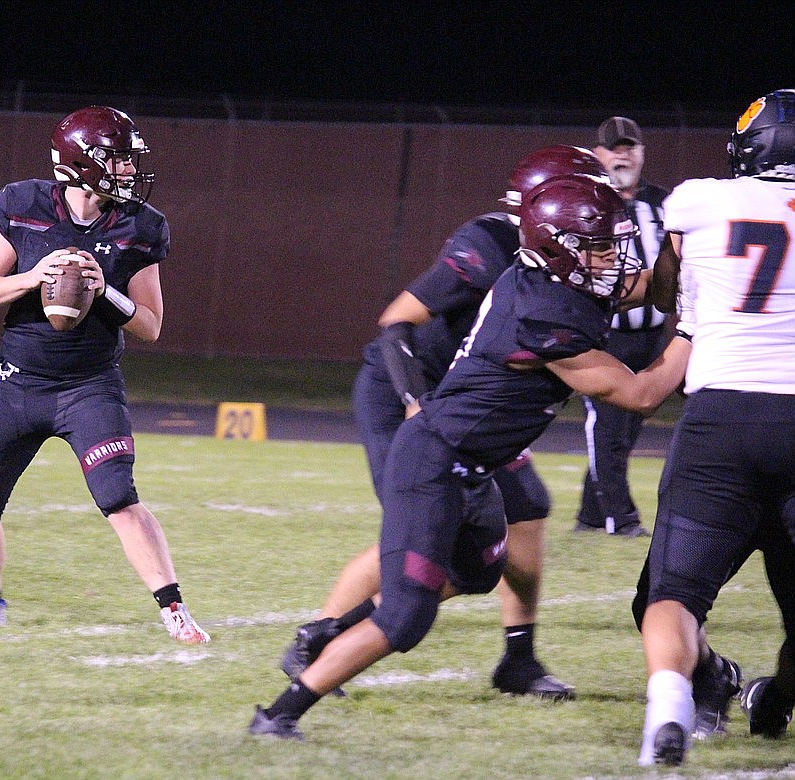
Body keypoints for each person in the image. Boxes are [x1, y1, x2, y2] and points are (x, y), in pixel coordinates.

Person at [250, 173, 693, 740]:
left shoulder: (560, 278)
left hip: (472, 464)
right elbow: (640, 394)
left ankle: (328, 630)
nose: (614, 258)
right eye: (601, 245)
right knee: (406, 619)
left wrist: (682, 251)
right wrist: (703, 328)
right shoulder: (543, 313)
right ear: (563, 248)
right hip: (434, 460)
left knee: (480, 571)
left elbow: (648, 289)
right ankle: (281, 712)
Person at [280, 146, 609, 703]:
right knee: (423, 531)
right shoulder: (489, 245)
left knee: (525, 505)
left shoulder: (578, 260)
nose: (602, 215)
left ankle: (519, 658)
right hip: (412, 399)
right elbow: (396, 324)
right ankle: (319, 640)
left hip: (470, 407)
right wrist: (415, 401)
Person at [0, 105, 209, 645]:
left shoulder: (141, 227)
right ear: (79, 163)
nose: (127, 171)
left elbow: (151, 327)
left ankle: (174, 611)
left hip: (89, 388)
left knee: (118, 495)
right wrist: (34, 276)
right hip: (17, 383)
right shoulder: (24, 206)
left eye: (128, 161)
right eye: (115, 160)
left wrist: (102, 290)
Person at [636, 89, 795, 766]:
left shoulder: (698, 199)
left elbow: (665, 291)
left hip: (721, 418)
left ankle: (669, 713)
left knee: (671, 594)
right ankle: (777, 697)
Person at [573, 116, 671, 537]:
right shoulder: (587, 202)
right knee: (609, 430)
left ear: (643, 153)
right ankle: (622, 520)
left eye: (630, 146)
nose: (623, 154)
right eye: (614, 147)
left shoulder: (665, 204)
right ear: (599, 154)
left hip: (651, 336)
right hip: (606, 336)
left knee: (624, 434)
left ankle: (590, 516)